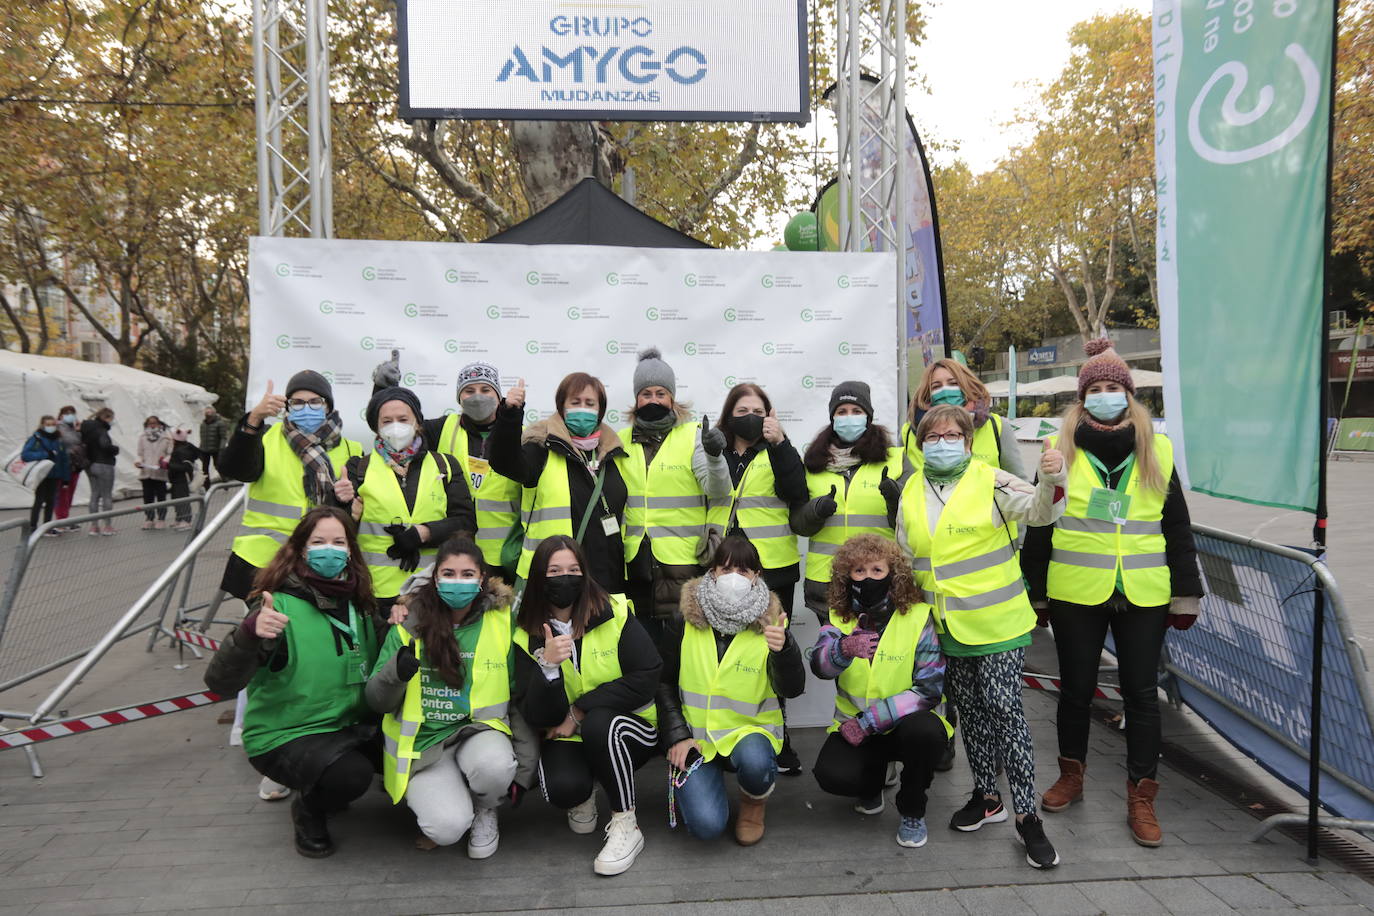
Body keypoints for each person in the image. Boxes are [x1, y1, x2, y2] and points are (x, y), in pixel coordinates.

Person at [1020, 338, 1203, 848]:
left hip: (1144, 592)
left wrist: (1186, 594)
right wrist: (1035, 593)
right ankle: (1072, 776)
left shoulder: (1157, 448)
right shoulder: (1059, 452)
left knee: (1142, 695)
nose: (1105, 395)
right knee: (1076, 689)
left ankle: (1141, 796)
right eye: (1095, 388)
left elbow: (1177, 528)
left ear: (1129, 395)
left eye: (1113, 388)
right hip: (1077, 591)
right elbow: (1040, 526)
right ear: (1081, 398)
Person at [896, 404, 1067, 869]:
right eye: (933, 436)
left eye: (953, 435)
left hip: (998, 625)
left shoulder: (993, 480)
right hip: (945, 627)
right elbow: (907, 558)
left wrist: (1052, 477)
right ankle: (987, 797)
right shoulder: (911, 488)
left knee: (1005, 709)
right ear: (920, 443)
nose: (943, 442)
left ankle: (1028, 816)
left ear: (968, 442)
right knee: (969, 712)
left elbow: (1039, 512)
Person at [204, 506, 383, 858]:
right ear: (301, 548)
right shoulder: (276, 609)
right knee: (351, 776)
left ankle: (327, 781)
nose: (329, 549)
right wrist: (248, 635)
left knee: (409, 753)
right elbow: (220, 682)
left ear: (350, 550)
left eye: (338, 541)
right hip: (287, 733)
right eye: (318, 541)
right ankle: (309, 811)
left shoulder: (359, 601)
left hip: (347, 724)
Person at [366, 537, 536, 856]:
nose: (458, 582)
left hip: (479, 733)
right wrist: (396, 673)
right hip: (425, 744)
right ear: (435, 577)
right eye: (449, 573)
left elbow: (517, 696)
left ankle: (486, 809)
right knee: (446, 829)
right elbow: (377, 701)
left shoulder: (501, 620)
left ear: (482, 578)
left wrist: (524, 769)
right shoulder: (408, 620)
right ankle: (455, 799)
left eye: (467, 574)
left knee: (494, 768)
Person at [512, 535, 661, 876]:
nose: (565, 577)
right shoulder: (525, 632)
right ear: (539, 577)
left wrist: (579, 711)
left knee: (599, 724)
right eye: (554, 570)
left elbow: (648, 675)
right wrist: (547, 668)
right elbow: (537, 715)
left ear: (585, 573)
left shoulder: (615, 612)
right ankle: (588, 787)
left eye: (573, 569)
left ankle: (626, 824)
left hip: (630, 729)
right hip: (568, 736)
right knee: (564, 788)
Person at [655, 536, 804, 845]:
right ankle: (702, 781)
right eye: (725, 569)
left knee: (755, 760)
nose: (734, 578)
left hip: (750, 734)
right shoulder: (683, 620)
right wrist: (677, 735)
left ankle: (753, 804)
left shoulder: (771, 624)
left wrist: (784, 649)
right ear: (712, 573)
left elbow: (792, 688)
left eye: (744, 570)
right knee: (706, 828)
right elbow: (663, 682)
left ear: (757, 577)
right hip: (697, 738)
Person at [808, 534, 950, 850]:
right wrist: (842, 649)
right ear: (847, 576)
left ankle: (912, 810)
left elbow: (929, 688)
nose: (868, 578)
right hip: (856, 729)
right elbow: (820, 667)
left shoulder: (917, 617)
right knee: (832, 774)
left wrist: (867, 722)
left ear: (892, 574)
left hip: (902, 727)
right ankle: (871, 785)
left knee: (927, 734)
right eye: (859, 571)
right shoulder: (838, 616)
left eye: (876, 570)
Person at [707, 382, 809, 774]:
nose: (750, 416)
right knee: (726, 653)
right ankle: (727, 732)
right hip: (721, 564)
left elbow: (796, 490)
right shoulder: (712, 450)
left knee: (773, 648)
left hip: (772, 566)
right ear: (729, 414)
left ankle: (778, 737)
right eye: (742, 409)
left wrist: (780, 443)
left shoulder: (779, 449)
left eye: (758, 409)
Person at [218, 371, 364, 603]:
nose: (307, 408)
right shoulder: (266, 437)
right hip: (264, 562)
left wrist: (345, 499)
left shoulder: (351, 449)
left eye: (315, 401)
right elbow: (234, 469)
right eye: (297, 402)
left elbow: (352, 517)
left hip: (321, 562)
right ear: (287, 406)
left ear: (328, 406)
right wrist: (254, 419)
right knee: (268, 632)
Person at [618, 348, 731, 644]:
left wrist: (715, 457)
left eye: (660, 393)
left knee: (680, 657)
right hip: (635, 567)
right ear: (636, 399)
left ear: (672, 398)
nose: (653, 400)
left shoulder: (692, 436)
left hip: (682, 567)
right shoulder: (619, 442)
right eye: (645, 394)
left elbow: (717, 490)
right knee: (643, 656)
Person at [334, 387, 476, 612]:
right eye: (387, 421)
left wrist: (424, 533)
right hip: (375, 593)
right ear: (376, 427)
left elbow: (466, 523)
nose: (396, 426)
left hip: (433, 590)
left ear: (417, 422)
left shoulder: (445, 465)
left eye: (403, 419)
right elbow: (338, 531)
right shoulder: (359, 467)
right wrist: (343, 505)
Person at [489, 372, 630, 592]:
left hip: (604, 582)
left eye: (589, 403)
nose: (582, 408)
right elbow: (503, 462)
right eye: (575, 402)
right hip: (551, 582)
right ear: (562, 407)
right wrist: (509, 415)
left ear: (600, 410)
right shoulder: (541, 448)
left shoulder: (614, 454)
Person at [791, 381, 904, 624]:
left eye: (856, 411)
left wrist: (895, 498)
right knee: (833, 657)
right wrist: (815, 511)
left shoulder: (896, 459)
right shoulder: (813, 463)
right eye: (841, 412)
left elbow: (911, 522)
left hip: (880, 582)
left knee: (877, 656)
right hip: (826, 582)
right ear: (832, 417)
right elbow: (798, 524)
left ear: (868, 417)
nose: (848, 417)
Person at [433, 362, 524, 583]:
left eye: (485, 390)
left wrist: (512, 415)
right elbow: (404, 424)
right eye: (469, 391)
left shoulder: (521, 435)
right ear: (459, 397)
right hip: (453, 554)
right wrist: (383, 390)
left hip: (502, 557)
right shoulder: (442, 428)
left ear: (498, 395)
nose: (477, 397)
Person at [901, 358, 1026, 480]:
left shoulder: (997, 427)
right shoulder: (908, 433)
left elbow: (1020, 485)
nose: (945, 390)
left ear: (966, 386)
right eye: (936, 386)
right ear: (927, 394)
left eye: (953, 383)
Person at [21, 416, 71, 535]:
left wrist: (66, 479)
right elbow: (25, 455)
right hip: (41, 474)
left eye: (53, 424)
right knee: (39, 500)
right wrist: (45, 454)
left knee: (51, 501)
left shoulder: (59, 439)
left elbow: (64, 459)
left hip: (55, 474)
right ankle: (33, 527)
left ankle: (47, 526)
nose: (51, 427)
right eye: (48, 424)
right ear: (43, 425)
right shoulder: (36, 438)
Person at [80, 407, 119, 536]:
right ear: (106, 418)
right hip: (104, 463)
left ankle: (94, 526)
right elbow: (105, 446)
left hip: (90, 464)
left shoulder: (86, 428)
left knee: (94, 495)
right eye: (111, 418)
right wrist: (115, 449)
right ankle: (107, 526)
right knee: (106, 495)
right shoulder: (101, 430)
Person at [135, 416, 173, 530]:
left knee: (161, 496)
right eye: (149, 423)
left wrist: (164, 462)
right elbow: (140, 453)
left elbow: (170, 453)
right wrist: (139, 462)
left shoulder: (166, 438)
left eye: (154, 423)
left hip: (160, 472)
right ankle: (149, 518)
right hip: (146, 472)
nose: (152, 425)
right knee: (148, 497)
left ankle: (161, 518)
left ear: (159, 424)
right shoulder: (142, 438)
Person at [53, 405, 87, 530]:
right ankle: (60, 520)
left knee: (69, 493)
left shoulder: (72, 428)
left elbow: (80, 441)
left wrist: (78, 430)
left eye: (72, 413)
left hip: (75, 464)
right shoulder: (58, 427)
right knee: (62, 493)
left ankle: (65, 518)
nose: (70, 415)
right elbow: (68, 441)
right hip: (63, 465)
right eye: (67, 413)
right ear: (61, 415)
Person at [168, 427, 200, 531]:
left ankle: (186, 520)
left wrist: (170, 465)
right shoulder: (187, 447)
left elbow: (185, 466)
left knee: (182, 498)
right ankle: (180, 518)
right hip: (177, 478)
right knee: (177, 498)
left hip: (181, 478)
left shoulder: (181, 450)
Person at [199, 405, 231, 486]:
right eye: (206, 413)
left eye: (209, 413)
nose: (208, 415)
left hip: (216, 449)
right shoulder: (203, 424)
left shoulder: (220, 423)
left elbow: (223, 437)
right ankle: (207, 486)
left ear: (214, 413)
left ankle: (225, 481)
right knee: (204, 469)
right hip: (205, 449)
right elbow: (202, 437)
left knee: (218, 466)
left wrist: (221, 448)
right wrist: (200, 448)